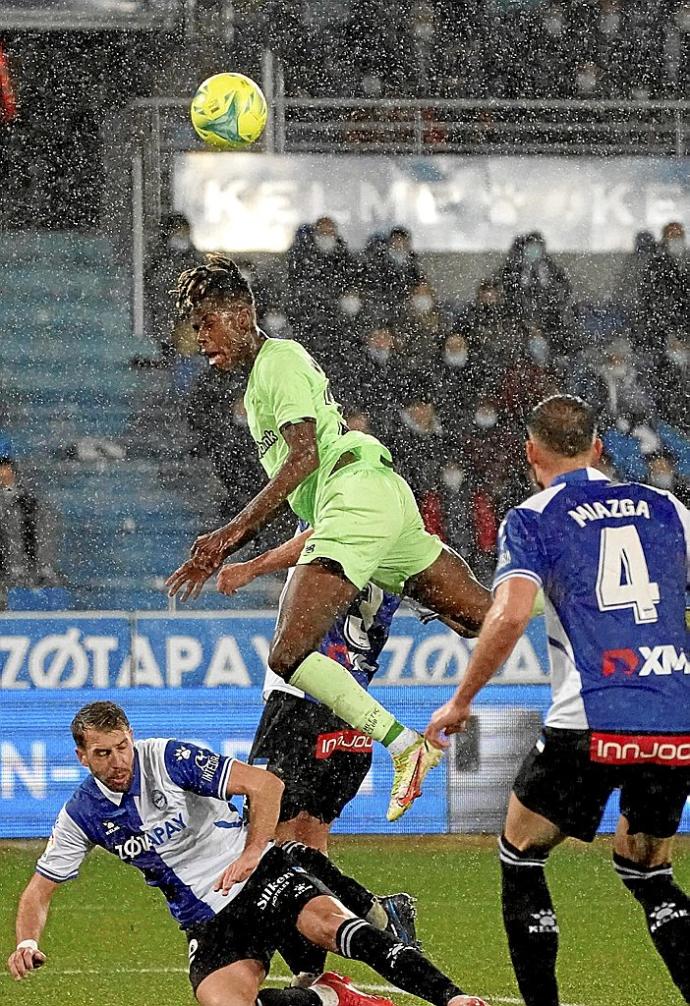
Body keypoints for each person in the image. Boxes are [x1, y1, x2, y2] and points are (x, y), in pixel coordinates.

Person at [165, 254, 491, 823]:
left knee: (289, 655)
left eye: (207, 322)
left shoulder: (278, 360)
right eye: (195, 328)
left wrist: (229, 537)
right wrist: (252, 563)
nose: (201, 338)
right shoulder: (264, 378)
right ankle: (578, 594)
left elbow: (303, 459)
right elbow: (317, 505)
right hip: (376, 499)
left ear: (241, 314)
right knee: (483, 617)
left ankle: (406, 747)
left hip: (355, 495)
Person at [426, 394, 690, 1006]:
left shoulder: (533, 517)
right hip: (674, 715)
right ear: (598, 448)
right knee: (648, 869)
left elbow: (511, 613)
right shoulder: (668, 508)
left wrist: (461, 699)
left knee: (521, 851)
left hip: (589, 715)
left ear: (530, 452)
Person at [6, 701, 487, 1006]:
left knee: (332, 926)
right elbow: (37, 892)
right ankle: (328, 997)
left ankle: (453, 998)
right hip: (206, 919)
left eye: (122, 747)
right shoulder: (82, 814)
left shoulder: (168, 758)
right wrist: (27, 942)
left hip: (259, 875)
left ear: (131, 737)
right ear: (82, 757)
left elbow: (265, 785)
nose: (118, 762)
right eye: (103, 754)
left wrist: (256, 849)